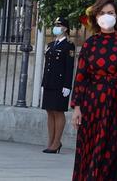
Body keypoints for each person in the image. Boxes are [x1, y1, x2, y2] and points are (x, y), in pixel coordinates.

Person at [72, 0, 117, 181]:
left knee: (114, 151)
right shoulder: (90, 44)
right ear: (96, 17)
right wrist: (77, 107)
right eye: (102, 13)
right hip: (91, 104)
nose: (106, 17)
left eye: (110, 13)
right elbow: (81, 77)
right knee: (91, 149)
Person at [41, 16, 75, 154]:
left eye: (59, 25)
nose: (56, 27)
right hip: (49, 82)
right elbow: (46, 66)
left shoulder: (69, 45)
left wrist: (67, 85)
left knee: (58, 112)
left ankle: (56, 143)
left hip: (60, 84)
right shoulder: (50, 45)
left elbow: (69, 67)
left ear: (65, 28)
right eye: (55, 24)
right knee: (49, 111)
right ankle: (51, 141)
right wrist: (43, 83)